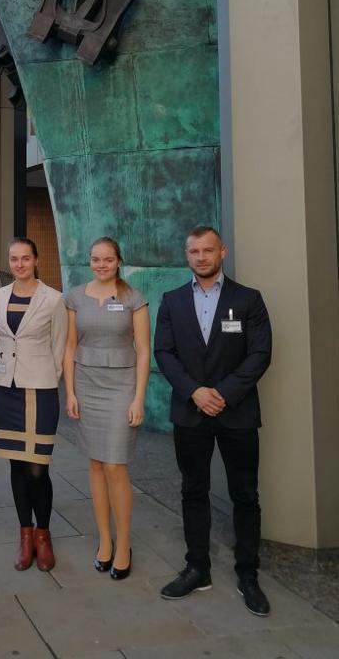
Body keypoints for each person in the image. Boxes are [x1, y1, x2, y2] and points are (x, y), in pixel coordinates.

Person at [154, 226, 273, 616]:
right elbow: (164, 353)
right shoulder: (172, 301)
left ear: (222, 252)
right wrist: (195, 392)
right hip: (190, 412)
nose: (201, 257)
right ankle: (197, 569)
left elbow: (260, 353)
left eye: (208, 250)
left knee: (245, 495)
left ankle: (248, 574)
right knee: (193, 491)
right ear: (186, 255)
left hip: (237, 412)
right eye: (194, 251)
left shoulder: (249, 299)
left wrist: (222, 393)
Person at [63, 237, 150, 580]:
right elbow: (70, 346)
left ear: (118, 261)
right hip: (86, 384)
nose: (101, 265)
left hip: (121, 386)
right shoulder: (74, 297)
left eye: (108, 260)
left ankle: (124, 543)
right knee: (96, 463)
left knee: (115, 465)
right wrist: (70, 392)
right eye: (96, 259)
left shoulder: (133, 298)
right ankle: (104, 539)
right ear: (90, 261)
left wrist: (138, 397)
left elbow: (143, 350)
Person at [0, 238, 67, 571]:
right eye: (14, 259)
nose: (19, 264)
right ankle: (25, 534)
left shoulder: (54, 299)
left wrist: (42, 375)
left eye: (25, 258)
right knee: (17, 466)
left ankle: (43, 534)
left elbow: (59, 347)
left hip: (40, 390)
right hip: (6, 389)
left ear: (36, 260)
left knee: (37, 467)